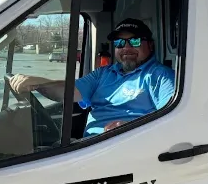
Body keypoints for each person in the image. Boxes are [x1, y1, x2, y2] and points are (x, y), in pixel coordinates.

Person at [9, 18, 176, 137]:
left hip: (126, 149)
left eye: (135, 41)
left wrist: (132, 129)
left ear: (151, 45)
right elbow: (68, 92)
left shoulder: (160, 76)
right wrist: (38, 83)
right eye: (119, 43)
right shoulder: (103, 73)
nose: (126, 47)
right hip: (90, 147)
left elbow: (173, 120)